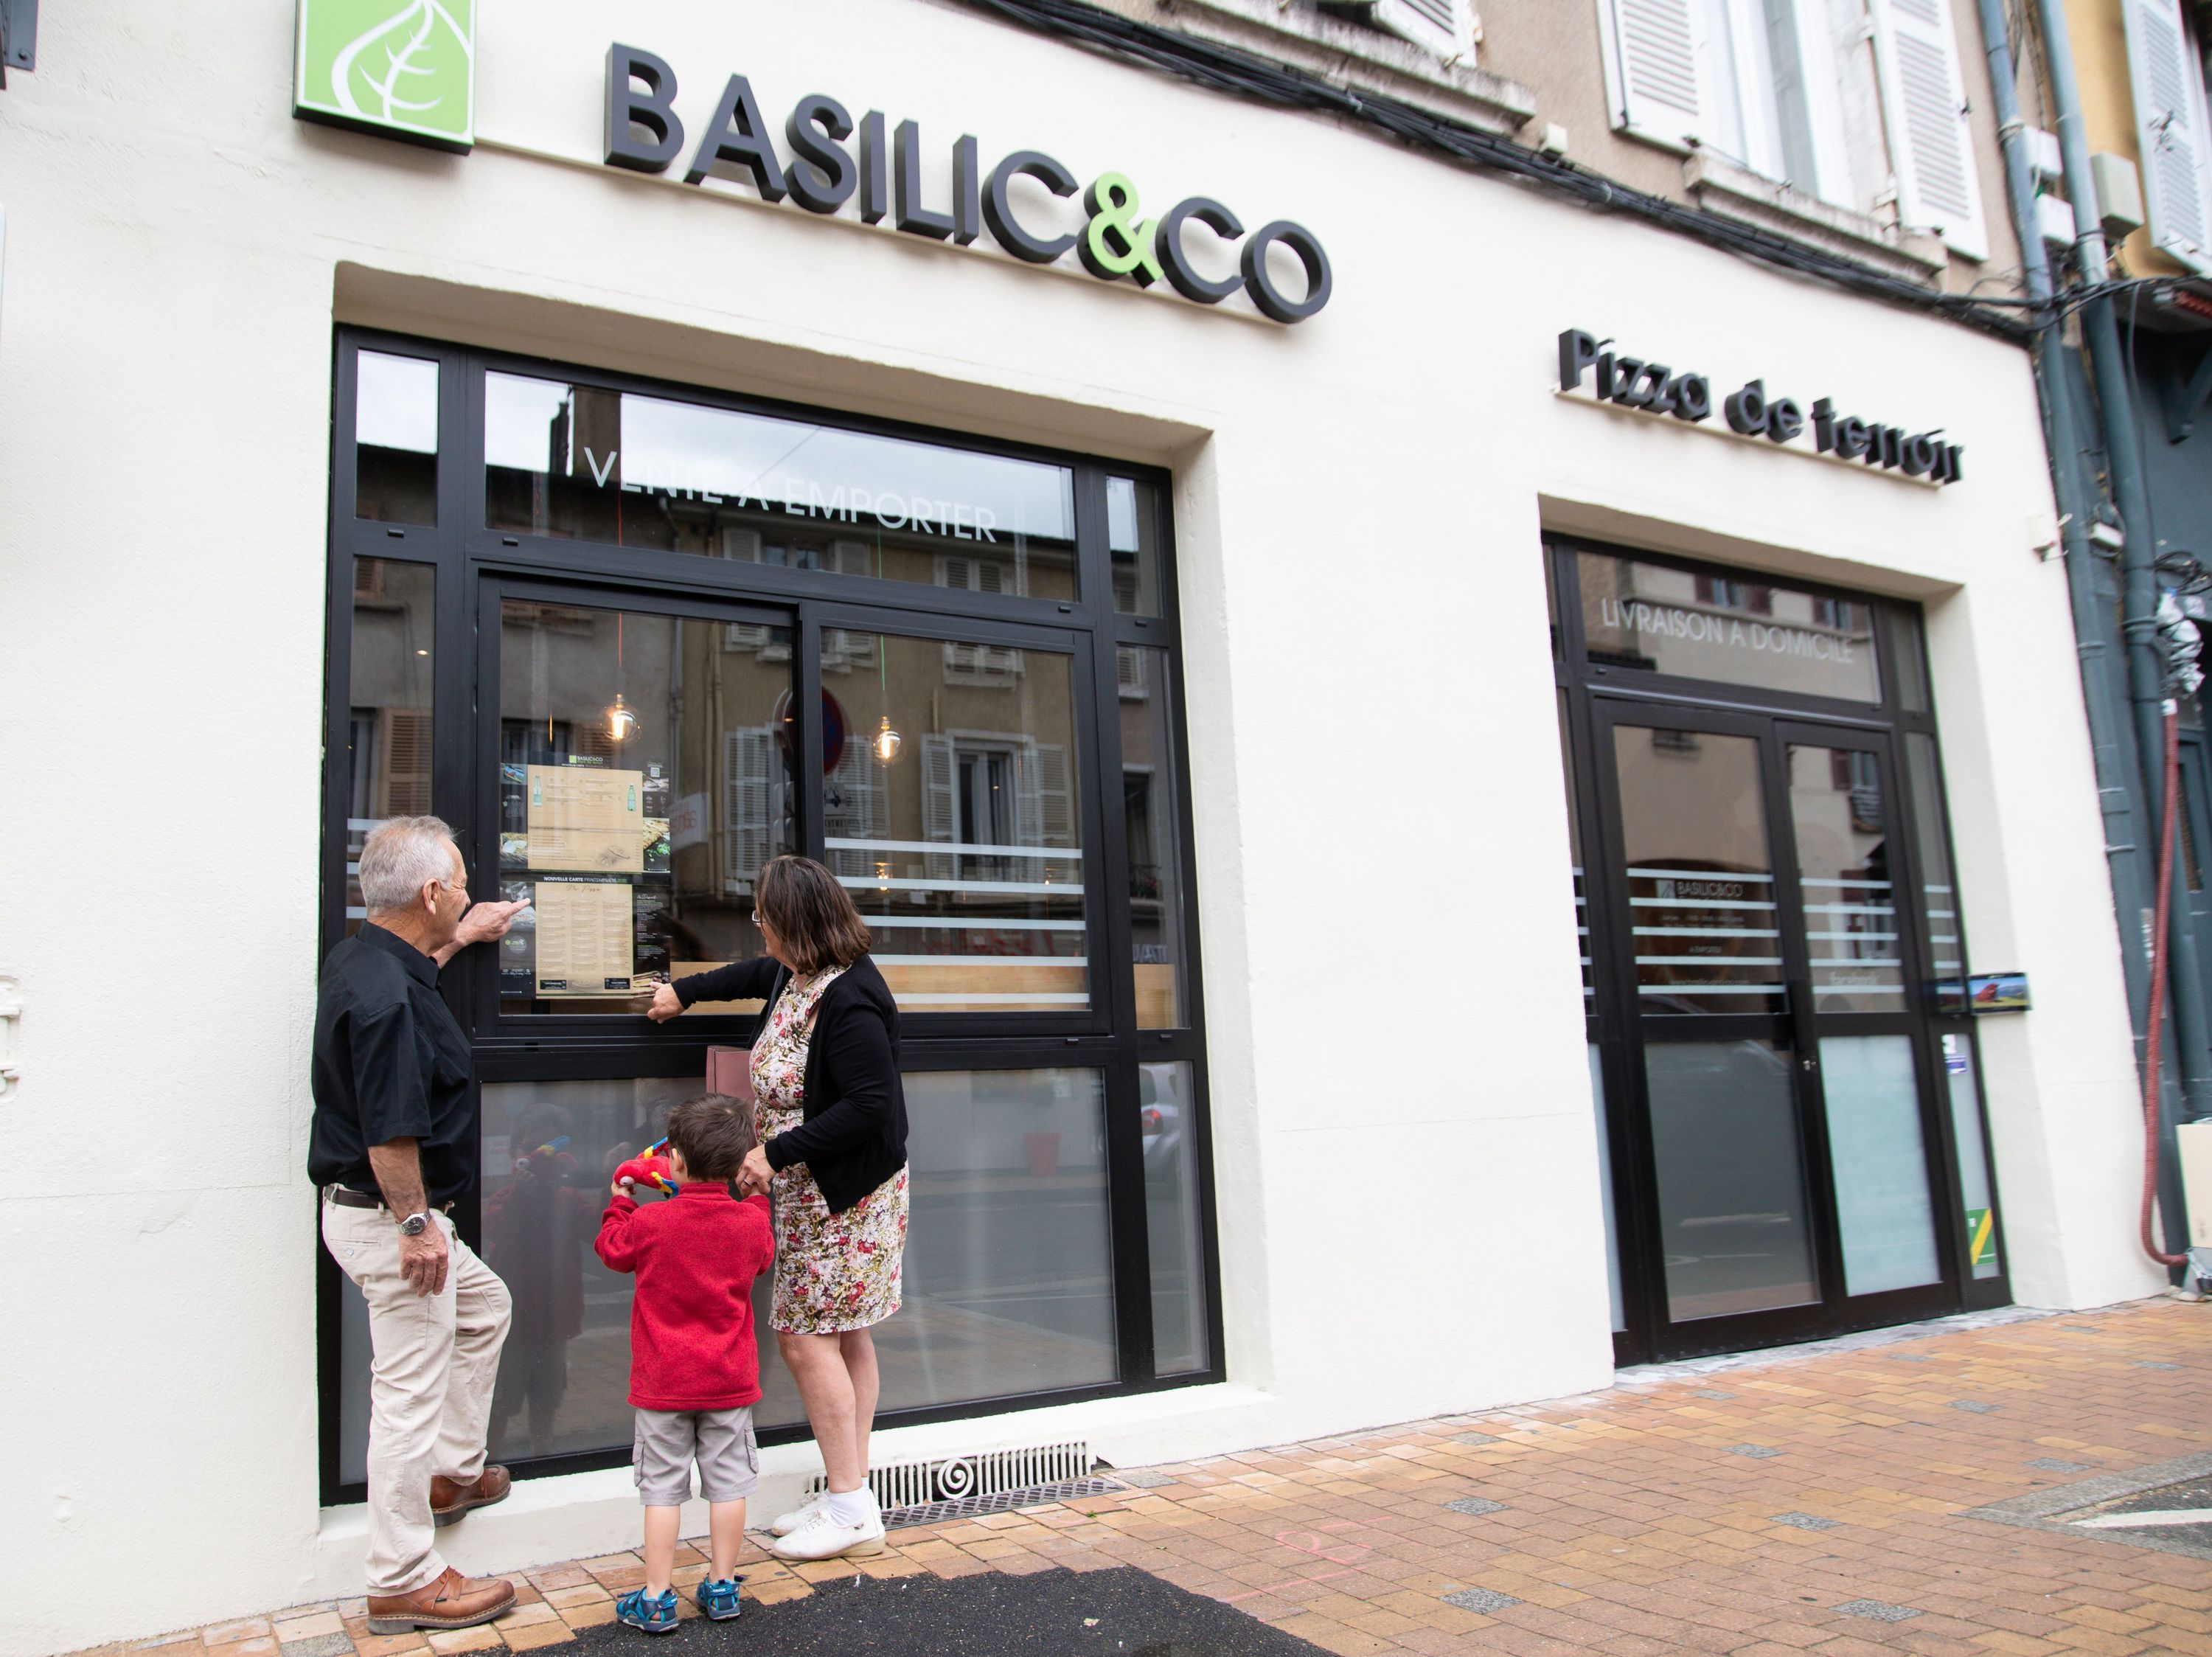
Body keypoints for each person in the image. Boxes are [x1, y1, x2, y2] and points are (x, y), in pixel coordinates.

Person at [649, 854, 909, 1563]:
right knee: (845, 1333)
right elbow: (741, 976)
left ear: (795, 923)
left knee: (806, 1338)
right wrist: (682, 992)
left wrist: (773, 1153)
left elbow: (868, 1104)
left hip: (843, 1194)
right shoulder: (795, 975)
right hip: (812, 1186)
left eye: (765, 917)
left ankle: (851, 1502)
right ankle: (851, 1496)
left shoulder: (850, 998)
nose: (758, 928)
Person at [310, 816, 529, 1634]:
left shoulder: (367, 958)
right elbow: (388, 1131)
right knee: (404, 1400)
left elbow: (412, 975)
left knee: (485, 1307)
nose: (469, 890)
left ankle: (452, 1474)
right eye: (463, 883)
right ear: (431, 891)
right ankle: (402, 1574)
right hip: (391, 1220)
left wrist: (461, 938)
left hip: (381, 1216)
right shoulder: (387, 998)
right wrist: (416, 1228)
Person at [594, 1096, 776, 1634]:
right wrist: (759, 1198)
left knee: (662, 1490)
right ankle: (722, 1586)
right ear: (741, 1160)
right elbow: (764, 1252)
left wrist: (621, 1199)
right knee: (728, 1486)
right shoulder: (748, 1224)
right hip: (729, 1381)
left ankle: (656, 1596)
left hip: (662, 1384)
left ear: (673, 1162)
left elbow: (612, 1248)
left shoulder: (651, 1222)